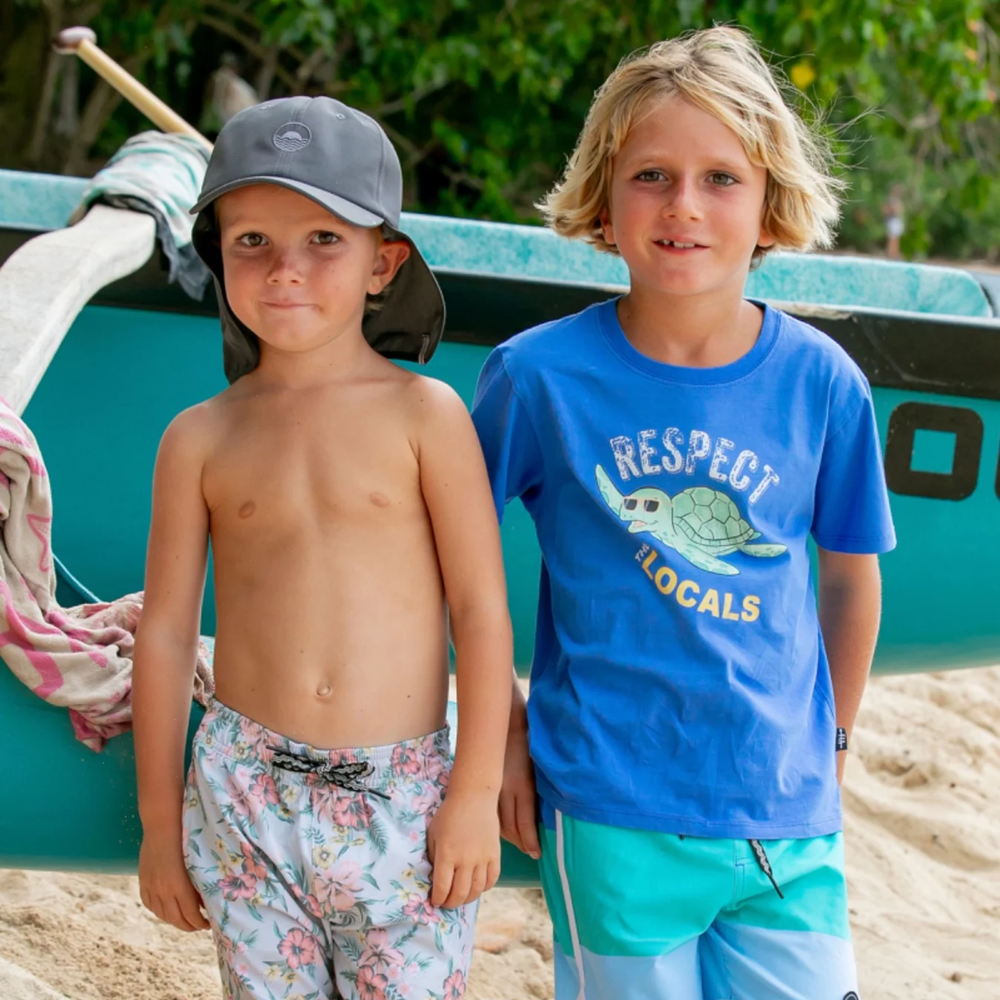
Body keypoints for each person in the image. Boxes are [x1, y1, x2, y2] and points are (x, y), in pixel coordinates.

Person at [474, 28, 894, 1000]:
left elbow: (848, 575)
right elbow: (454, 561)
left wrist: (833, 744)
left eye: (720, 178)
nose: (684, 207)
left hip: (784, 807)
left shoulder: (822, 383)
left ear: (769, 199)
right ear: (604, 193)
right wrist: (500, 735)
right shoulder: (537, 378)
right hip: (608, 801)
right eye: (651, 174)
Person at [132, 96, 512, 1000]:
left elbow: (483, 614)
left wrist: (472, 796)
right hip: (244, 794)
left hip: (407, 800)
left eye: (323, 241)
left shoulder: (427, 414)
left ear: (384, 263)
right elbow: (166, 632)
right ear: (216, 255)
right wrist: (157, 824)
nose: (283, 269)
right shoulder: (198, 437)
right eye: (251, 241)